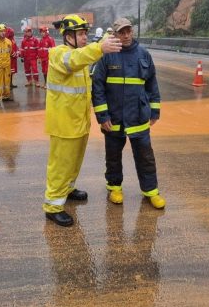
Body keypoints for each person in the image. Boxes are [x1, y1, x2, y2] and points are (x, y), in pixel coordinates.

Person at [43, 14, 121, 226]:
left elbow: (85, 56)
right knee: (60, 165)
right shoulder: (59, 54)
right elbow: (76, 60)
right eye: (81, 34)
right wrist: (100, 48)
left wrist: (108, 36)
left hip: (78, 122)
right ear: (68, 36)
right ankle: (53, 206)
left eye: (86, 33)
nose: (85, 37)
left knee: (74, 162)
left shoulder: (79, 53)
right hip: (64, 124)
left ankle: (67, 189)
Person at [92, 17, 165, 209]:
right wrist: (102, 116)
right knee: (113, 156)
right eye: (121, 32)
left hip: (139, 117)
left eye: (128, 31)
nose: (125, 35)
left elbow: (152, 84)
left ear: (132, 32)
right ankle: (114, 188)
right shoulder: (107, 55)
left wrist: (155, 110)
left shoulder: (144, 54)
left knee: (145, 157)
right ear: (115, 34)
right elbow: (97, 86)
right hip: (114, 118)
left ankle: (151, 191)